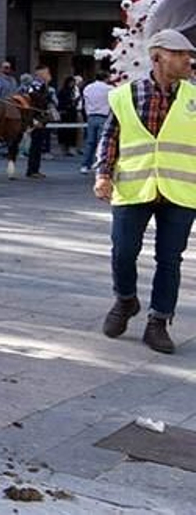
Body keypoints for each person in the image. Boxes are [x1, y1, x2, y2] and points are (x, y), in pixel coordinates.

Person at [94, 29, 196, 355]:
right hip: (133, 186)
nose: (187, 60)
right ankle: (125, 300)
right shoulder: (125, 95)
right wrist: (103, 175)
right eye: (179, 54)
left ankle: (158, 321)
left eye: (188, 54)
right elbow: (110, 137)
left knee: (170, 259)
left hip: (180, 190)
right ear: (157, 57)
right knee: (123, 251)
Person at [25, 65, 56, 179]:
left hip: (42, 117)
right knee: (35, 144)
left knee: (38, 144)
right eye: (46, 73)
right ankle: (32, 169)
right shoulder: (34, 87)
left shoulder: (44, 86)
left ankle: (35, 168)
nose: (48, 75)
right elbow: (35, 101)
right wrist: (34, 120)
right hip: (36, 117)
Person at [81, 69, 113, 175]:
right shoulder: (109, 89)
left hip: (91, 116)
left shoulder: (88, 88)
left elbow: (85, 103)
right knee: (102, 142)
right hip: (104, 116)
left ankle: (85, 165)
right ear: (106, 78)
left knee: (90, 142)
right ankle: (100, 164)